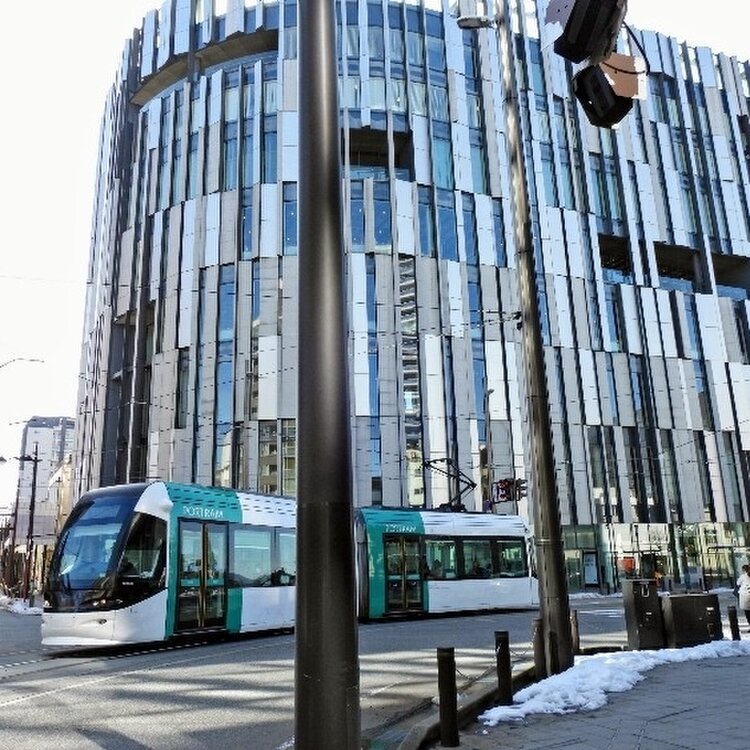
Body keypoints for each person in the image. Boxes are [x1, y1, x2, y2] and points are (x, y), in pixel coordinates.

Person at [736, 563, 750, 630]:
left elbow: (738, 583)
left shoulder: (743, 576)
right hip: (746, 595)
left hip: (745, 596)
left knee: (748, 613)